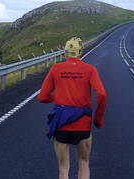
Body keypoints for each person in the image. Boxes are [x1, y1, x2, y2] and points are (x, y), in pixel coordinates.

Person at [38, 37, 107, 179]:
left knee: (63, 169)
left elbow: (42, 97)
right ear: (80, 52)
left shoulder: (56, 69)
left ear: (65, 53)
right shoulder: (90, 70)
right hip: (83, 124)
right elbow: (101, 94)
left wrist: (56, 98)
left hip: (61, 123)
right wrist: (98, 120)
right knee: (84, 163)